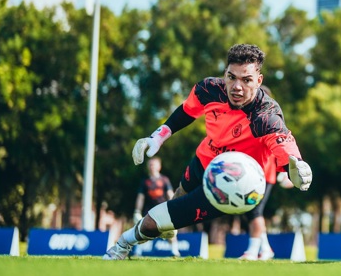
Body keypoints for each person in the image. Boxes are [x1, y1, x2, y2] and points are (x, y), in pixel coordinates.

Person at [104, 43, 313, 261]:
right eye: (231, 77)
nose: (237, 87)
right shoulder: (209, 89)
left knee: (155, 220)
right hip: (204, 159)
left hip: (228, 183)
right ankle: (166, 224)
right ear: (225, 74)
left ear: (258, 81)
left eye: (246, 80)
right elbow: (186, 111)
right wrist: (158, 136)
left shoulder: (266, 115)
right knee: (175, 201)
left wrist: (296, 166)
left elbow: (285, 146)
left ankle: (122, 245)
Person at [133, 157, 179, 257]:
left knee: (169, 231)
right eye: (150, 164)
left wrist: (174, 207)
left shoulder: (164, 180)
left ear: (159, 166)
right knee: (142, 231)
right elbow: (140, 197)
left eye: (154, 164)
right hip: (149, 211)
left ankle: (175, 252)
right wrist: (137, 211)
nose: (152, 166)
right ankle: (137, 252)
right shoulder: (145, 182)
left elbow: (170, 194)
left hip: (163, 210)